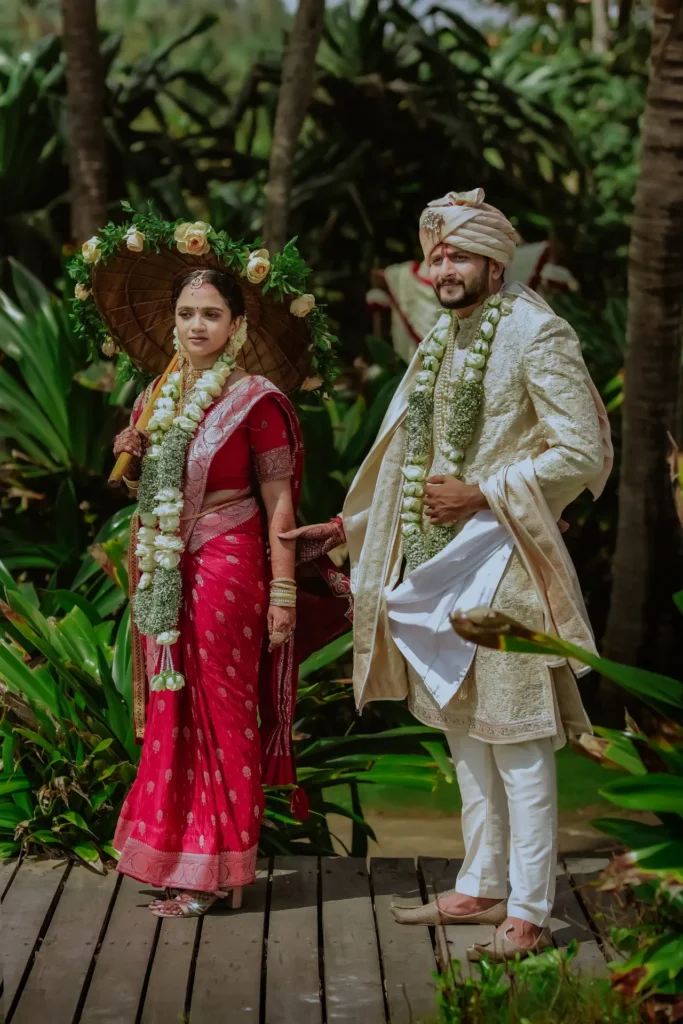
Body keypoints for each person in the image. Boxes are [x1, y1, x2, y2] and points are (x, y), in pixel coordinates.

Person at [283, 187, 612, 961]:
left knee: (519, 737)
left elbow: (584, 453)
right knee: (464, 732)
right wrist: (345, 529)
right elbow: (403, 460)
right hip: (434, 569)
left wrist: (481, 493)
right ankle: (479, 880)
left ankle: (529, 907)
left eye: (456, 254)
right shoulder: (439, 341)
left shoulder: (536, 333)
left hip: (505, 562)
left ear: (495, 263)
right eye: (432, 257)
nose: (439, 270)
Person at [73, 216, 349, 919]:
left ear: (235, 325)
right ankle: (176, 858)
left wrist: (283, 591)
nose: (197, 326)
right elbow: (154, 490)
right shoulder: (155, 397)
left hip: (229, 561)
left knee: (223, 709)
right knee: (173, 706)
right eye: (187, 314)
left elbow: (281, 502)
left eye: (211, 315)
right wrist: (133, 452)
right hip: (164, 565)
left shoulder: (257, 402)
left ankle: (218, 872)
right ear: (173, 322)